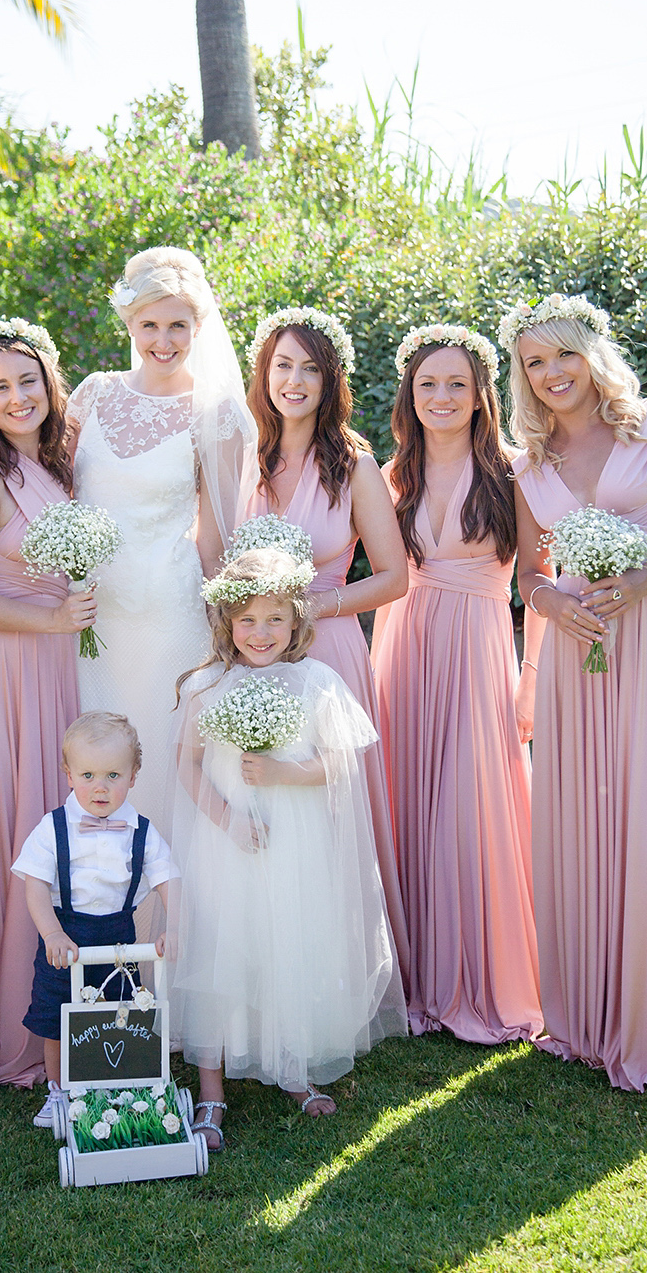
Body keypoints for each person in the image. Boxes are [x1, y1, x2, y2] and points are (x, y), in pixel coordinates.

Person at [503, 291, 647, 1100]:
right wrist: (551, 602)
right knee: (586, 815)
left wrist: (640, 582)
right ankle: (592, 1017)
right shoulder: (529, 463)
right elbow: (531, 569)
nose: (553, 373)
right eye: (534, 362)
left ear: (593, 354)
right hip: (577, 652)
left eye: (563, 354)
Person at [169, 547, 406, 1151]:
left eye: (274, 619)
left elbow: (340, 767)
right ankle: (211, 1089)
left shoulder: (317, 681)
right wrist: (228, 820)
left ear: (297, 620)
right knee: (224, 952)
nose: (260, 633)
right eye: (246, 620)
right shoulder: (208, 684)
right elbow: (189, 766)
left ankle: (293, 1067)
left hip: (295, 848)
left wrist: (281, 776)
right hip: (230, 847)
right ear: (226, 623)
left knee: (289, 948)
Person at [65, 247, 253, 936]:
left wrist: (223, 625)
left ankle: (174, 957)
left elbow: (219, 533)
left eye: (179, 326)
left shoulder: (217, 411)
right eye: (151, 325)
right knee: (98, 766)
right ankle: (96, 939)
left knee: (165, 772)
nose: (164, 341)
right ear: (129, 323)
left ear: (198, 329)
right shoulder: (90, 394)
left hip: (171, 617)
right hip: (94, 621)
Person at [371, 323, 543, 1043]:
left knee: (469, 809)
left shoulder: (516, 471)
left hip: (477, 650)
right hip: (403, 645)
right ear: (410, 394)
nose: (441, 397)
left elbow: (541, 581)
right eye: (428, 384)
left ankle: (474, 979)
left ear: (481, 396)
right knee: (408, 802)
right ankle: (410, 978)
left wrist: (531, 679)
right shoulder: (389, 476)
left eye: (457, 385)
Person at [0, 318, 94, 1087]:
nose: (16, 396)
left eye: (27, 380)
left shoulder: (62, 471)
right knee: (2, 831)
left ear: (47, 385)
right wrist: (51, 618)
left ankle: (47, 1012)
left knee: (42, 830)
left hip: (52, 664)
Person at [244, 306, 411, 986]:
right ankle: (268, 972)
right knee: (260, 800)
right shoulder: (240, 458)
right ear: (264, 373)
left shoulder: (354, 464)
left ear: (330, 378)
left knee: (329, 807)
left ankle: (341, 976)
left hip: (330, 652)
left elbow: (395, 576)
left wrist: (318, 604)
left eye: (310, 367)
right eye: (283, 365)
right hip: (251, 653)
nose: (295, 380)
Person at [12, 712, 176, 1126]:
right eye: (87, 774)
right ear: (68, 774)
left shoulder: (141, 830)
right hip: (65, 937)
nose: (99, 787)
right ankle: (58, 1092)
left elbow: (168, 879)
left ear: (134, 776)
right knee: (57, 1018)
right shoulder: (52, 828)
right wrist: (51, 932)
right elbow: (33, 884)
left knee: (121, 1011)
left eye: (113, 775)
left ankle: (117, 1081)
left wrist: (176, 927)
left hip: (119, 936)